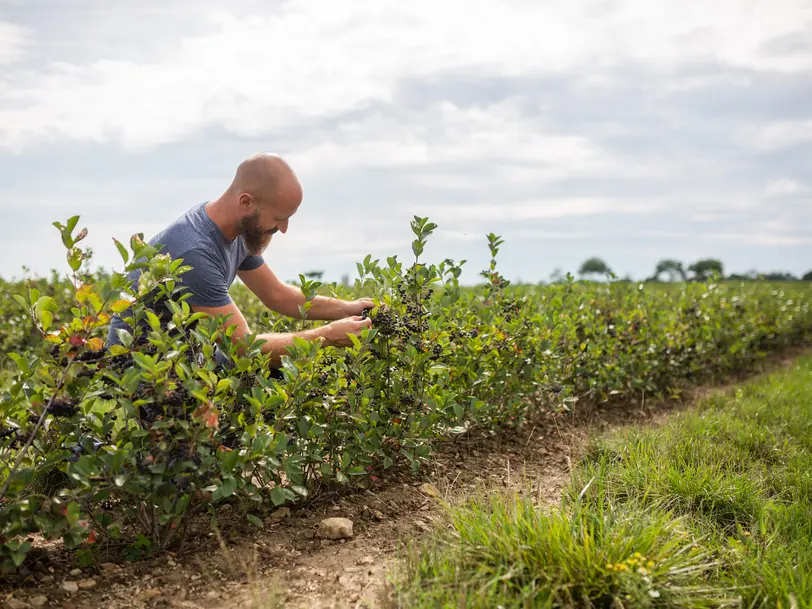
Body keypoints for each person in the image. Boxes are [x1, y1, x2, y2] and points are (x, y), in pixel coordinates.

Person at [106, 152, 374, 368]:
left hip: (182, 359)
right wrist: (326, 336)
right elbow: (244, 348)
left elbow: (278, 296)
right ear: (246, 202)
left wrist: (348, 308)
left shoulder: (236, 230)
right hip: (142, 375)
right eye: (279, 218)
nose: (284, 229)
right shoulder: (194, 251)